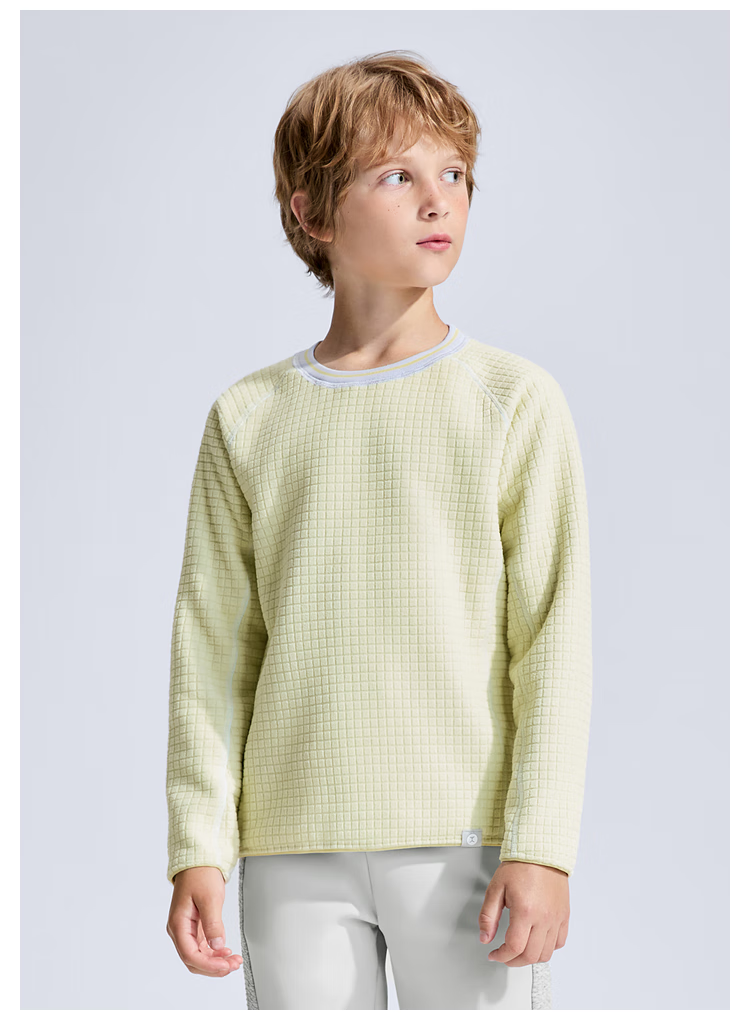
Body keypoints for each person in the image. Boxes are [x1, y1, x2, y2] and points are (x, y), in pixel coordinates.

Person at [164, 50, 592, 1010]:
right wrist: (198, 845)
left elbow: (553, 641)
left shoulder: (513, 401)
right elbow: (213, 649)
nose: (439, 201)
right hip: (290, 847)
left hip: (469, 844)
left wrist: (542, 846)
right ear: (311, 213)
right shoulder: (249, 417)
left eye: (456, 174)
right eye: (398, 175)